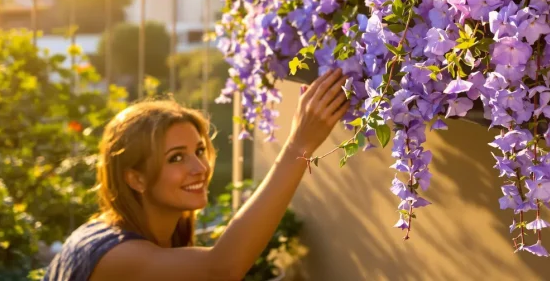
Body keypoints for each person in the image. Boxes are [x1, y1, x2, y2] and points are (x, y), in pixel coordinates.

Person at [44, 68, 350, 281]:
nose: (200, 168)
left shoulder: (161, 233)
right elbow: (224, 269)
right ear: (134, 178)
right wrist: (300, 143)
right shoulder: (118, 255)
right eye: (176, 158)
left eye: (199, 150)